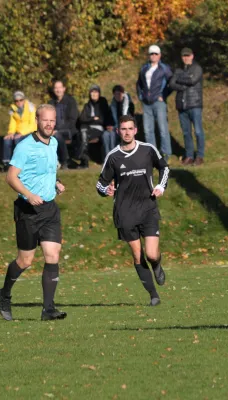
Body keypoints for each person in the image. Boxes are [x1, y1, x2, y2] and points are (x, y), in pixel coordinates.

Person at [0, 104, 67, 322]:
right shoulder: (25, 146)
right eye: (45, 120)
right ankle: (5, 293)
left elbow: (44, 170)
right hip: (28, 210)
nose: (49, 124)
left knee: (53, 255)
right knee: (25, 261)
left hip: (49, 210)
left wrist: (55, 182)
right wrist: (28, 194)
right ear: (37, 120)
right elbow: (11, 177)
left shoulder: (54, 142)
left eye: (52, 121)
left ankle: (48, 309)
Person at [96, 115, 170, 306]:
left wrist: (161, 187)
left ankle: (157, 265)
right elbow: (100, 184)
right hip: (125, 212)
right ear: (118, 131)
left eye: (130, 128)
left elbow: (164, 168)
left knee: (151, 254)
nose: (127, 132)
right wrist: (107, 190)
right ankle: (153, 295)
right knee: (137, 255)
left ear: (136, 130)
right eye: (123, 129)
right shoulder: (113, 156)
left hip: (148, 207)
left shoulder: (147, 150)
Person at [169, 47, 205, 166]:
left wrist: (179, 79)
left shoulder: (197, 68)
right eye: (184, 56)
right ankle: (189, 156)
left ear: (192, 56)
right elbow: (172, 83)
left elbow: (193, 80)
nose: (186, 58)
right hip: (181, 105)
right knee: (186, 132)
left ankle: (199, 156)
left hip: (194, 104)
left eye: (188, 55)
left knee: (198, 131)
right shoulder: (178, 69)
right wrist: (182, 85)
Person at [137, 45, 173, 161]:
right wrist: (141, 96)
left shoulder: (164, 68)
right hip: (146, 103)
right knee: (148, 130)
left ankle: (166, 153)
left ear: (160, 55)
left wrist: (164, 95)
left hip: (159, 102)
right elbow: (139, 84)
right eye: (151, 54)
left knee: (163, 128)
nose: (153, 56)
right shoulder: (144, 68)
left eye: (155, 54)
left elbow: (171, 82)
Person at [77, 84, 113, 169]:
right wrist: (93, 118)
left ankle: (83, 160)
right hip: (88, 129)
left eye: (96, 92)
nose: (94, 94)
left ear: (99, 93)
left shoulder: (103, 103)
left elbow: (103, 119)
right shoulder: (87, 105)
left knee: (83, 134)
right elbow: (82, 118)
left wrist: (91, 119)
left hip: (99, 129)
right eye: (92, 92)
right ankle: (84, 160)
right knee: (83, 133)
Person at [2, 91, 37, 171]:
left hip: (30, 132)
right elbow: (13, 123)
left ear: (24, 99)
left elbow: (33, 124)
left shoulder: (31, 108)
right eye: (16, 101)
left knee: (18, 140)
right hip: (18, 132)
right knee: (7, 140)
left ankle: (21, 163)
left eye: (20, 100)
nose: (19, 102)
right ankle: (6, 163)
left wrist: (22, 133)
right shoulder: (13, 109)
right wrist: (10, 133)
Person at [48, 79, 79, 169]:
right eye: (56, 88)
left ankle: (65, 160)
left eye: (60, 88)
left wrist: (58, 130)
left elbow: (72, 119)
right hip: (54, 131)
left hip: (69, 130)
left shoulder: (71, 101)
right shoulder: (51, 103)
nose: (58, 90)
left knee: (56, 135)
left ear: (64, 89)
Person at [104, 84, 135, 159]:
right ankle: (108, 157)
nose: (118, 95)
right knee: (105, 134)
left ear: (123, 94)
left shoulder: (129, 105)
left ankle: (115, 157)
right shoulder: (112, 106)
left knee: (112, 135)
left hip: (124, 128)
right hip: (115, 127)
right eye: (116, 94)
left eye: (119, 93)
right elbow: (109, 119)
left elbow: (131, 119)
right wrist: (109, 126)